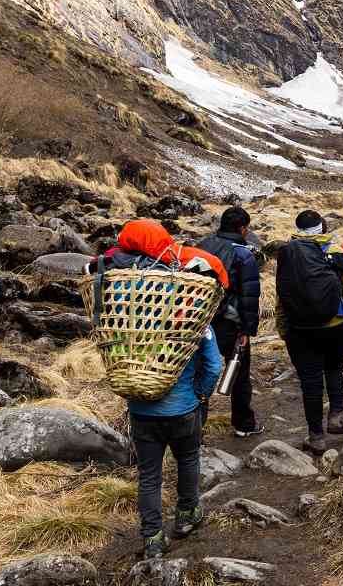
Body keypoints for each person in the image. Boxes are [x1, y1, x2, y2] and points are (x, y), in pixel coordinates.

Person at [128, 319, 223, 559]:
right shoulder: (196, 313)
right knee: (188, 459)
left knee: (149, 475)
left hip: (142, 411)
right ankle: (186, 515)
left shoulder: (130, 317)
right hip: (183, 408)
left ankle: (152, 538)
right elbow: (213, 366)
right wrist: (200, 394)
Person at [275, 210, 343, 455]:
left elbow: (281, 296)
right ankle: (336, 415)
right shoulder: (336, 253)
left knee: (310, 383)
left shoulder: (288, 254)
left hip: (300, 330)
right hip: (335, 326)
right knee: (334, 368)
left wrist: (283, 328)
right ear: (321, 229)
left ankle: (316, 436)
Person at [195, 206, 263, 437]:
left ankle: (195, 429)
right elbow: (249, 296)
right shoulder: (244, 255)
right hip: (230, 324)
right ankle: (244, 424)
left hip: (198, 320)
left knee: (198, 373)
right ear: (243, 229)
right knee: (239, 375)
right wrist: (247, 330)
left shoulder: (202, 245)